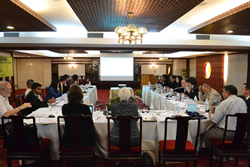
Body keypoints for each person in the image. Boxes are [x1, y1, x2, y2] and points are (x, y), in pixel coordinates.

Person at [202, 85, 247, 156]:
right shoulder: (243, 102)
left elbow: (214, 120)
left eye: (223, 92)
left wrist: (211, 112)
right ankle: (228, 154)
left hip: (227, 133)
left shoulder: (225, 102)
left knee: (205, 134)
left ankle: (217, 155)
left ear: (228, 93)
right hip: (242, 133)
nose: (222, 94)